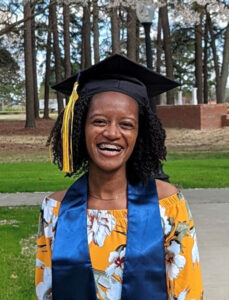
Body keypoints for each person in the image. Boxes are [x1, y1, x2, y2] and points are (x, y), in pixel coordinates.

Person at [35, 54, 203, 300]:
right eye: (99, 121)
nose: (112, 133)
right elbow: (45, 293)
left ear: (140, 134)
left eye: (126, 124)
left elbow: (188, 293)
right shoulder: (56, 211)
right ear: (80, 127)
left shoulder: (167, 206)